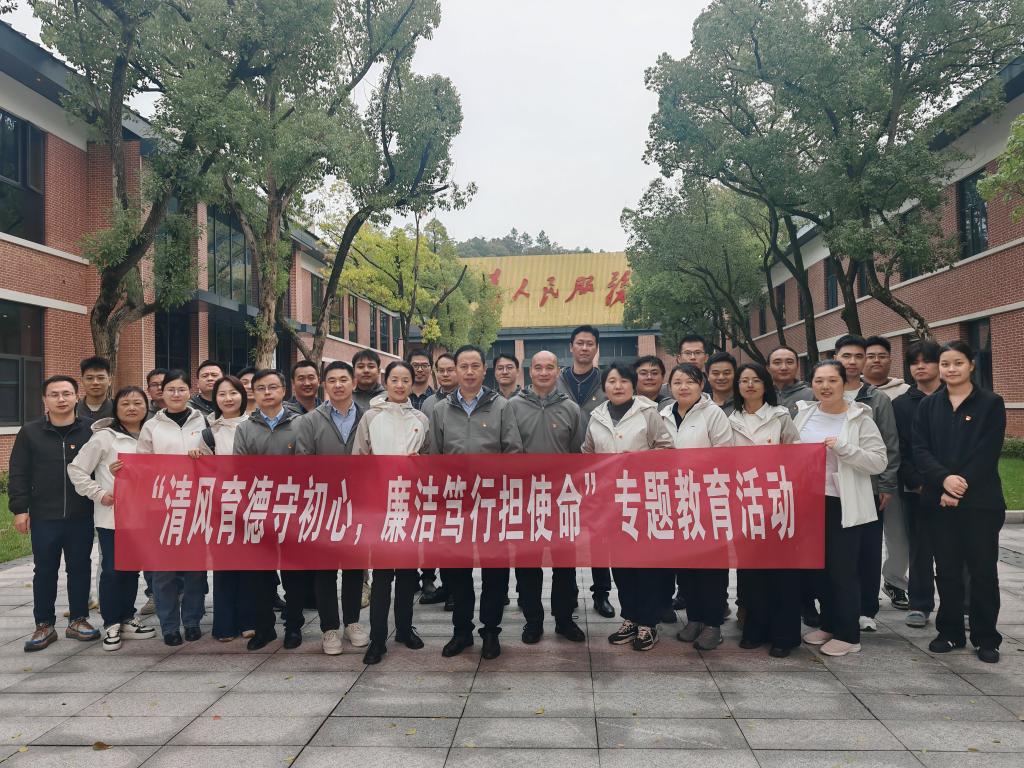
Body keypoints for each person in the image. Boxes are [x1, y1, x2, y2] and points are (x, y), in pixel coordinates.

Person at [913, 341, 1006, 664]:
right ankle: (949, 632)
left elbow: (988, 451)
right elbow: (920, 449)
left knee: (982, 571)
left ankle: (986, 637)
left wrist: (956, 488)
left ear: (971, 365)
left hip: (980, 503)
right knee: (947, 570)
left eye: (958, 363)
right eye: (945, 364)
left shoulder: (991, 403)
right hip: (938, 502)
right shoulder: (929, 406)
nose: (951, 369)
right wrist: (943, 480)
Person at [430, 345, 523, 660]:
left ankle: (491, 631)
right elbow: (434, 457)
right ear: (455, 370)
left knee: (495, 571)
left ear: (485, 370)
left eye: (475, 366)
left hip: (492, 504)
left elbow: (513, 452)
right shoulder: (440, 410)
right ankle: (461, 632)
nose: (469, 372)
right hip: (455, 504)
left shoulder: (501, 407)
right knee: (457, 571)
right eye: (463, 366)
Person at [796, 361, 887, 657]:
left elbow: (879, 461)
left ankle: (849, 634)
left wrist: (844, 449)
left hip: (843, 503)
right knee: (819, 569)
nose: (825, 386)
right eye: (819, 381)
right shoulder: (804, 414)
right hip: (810, 502)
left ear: (843, 383)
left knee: (843, 570)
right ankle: (829, 624)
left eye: (832, 380)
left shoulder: (859, 418)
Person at [584, 362, 674, 651]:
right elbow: (587, 454)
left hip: (643, 499)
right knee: (621, 564)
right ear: (604, 386)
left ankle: (648, 623)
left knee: (646, 564)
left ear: (633, 385)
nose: (618, 386)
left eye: (624, 380)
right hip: (611, 503)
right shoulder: (596, 416)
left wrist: (637, 461)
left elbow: (666, 449)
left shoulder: (648, 413)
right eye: (612, 381)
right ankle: (631, 618)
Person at [11, 375, 100, 651]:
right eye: (54, 394)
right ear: (45, 399)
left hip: (81, 514)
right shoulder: (30, 432)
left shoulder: (91, 431)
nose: (61, 399)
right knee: (45, 569)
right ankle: (44, 625)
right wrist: (19, 509)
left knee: (80, 567)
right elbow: (19, 471)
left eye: (66, 394)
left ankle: (78, 620)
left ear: (76, 396)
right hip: (44, 515)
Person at [68, 386, 156, 651]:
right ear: (116, 409)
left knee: (132, 569)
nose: (132, 408)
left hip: (146, 518)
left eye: (137, 403)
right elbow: (76, 469)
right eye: (125, 403)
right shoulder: (105, 438)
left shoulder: (152, 435)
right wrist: (99, 493)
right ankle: (111, 623)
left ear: (146, 407)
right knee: (113, 570)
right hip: (113, 518)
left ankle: (127, 618)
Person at [353, 360, 430, 664]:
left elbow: (430, 459)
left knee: (408, 574)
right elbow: (358, 460)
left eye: (405, 380)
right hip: (380, 506)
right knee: (383, 575)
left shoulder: (421, 418)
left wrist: (421, 462)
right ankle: (377, 639)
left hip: (410, 506)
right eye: (394, 380)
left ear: (413, 384)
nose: (400, 385)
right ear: (385, 383)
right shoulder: (371, 416)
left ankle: (404, 629)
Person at [509, 351, 587, 645]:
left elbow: (578, 454)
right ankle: (533, 621)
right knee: (528, 565)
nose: (543, 372)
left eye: (549, 367)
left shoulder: (571, 409)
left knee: (564, 565)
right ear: (530, 372)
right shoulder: (512, 407)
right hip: (524, 499)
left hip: (560, 500)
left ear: (558, 371)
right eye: (538, 367)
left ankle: (565, 620)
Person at [293, 361, 368, 654]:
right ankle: (329, 629)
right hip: (323, 504)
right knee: (324, 569)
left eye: (343, 379)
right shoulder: (310, 421)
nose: (338, 385)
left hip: (359, 504)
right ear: (325, 385)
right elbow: (302, 463)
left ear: (353, 383)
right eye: (332, 380)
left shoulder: (368, 417)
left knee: (354, 567)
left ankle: (352, 622)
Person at [729, 363, 802, 657]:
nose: (749, 385)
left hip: (778, 501)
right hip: (744, 502)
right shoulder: (729, 419)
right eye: (744, 380)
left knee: (782, 571)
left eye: (756, 380)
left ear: (765, 385)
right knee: (750, 571)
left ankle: (784, 635)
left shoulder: (780, 416)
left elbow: (797, 453)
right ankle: (755, 629)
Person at [233, 369, 307, 651]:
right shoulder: (245, 428)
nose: (267, 392)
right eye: (261, 388)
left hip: (292, 508)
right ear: (253, 392)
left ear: (284, 391)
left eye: (273, 387)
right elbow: (240, 469)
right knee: (260, 574)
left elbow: (308, 465)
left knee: (293, 574)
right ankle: (265, 628)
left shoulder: (301, 424)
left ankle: (293, 627)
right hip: (258, 509)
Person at [661, 364, 733, 650]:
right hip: (676, 500)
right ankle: (694, 618)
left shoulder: (713, 414)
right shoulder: (664, 414)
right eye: (677, 382)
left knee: (711, 567)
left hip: (708, 499)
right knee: (686, 565)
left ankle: (713, 623)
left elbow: (726, 455)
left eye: (690, 381)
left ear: (701, 385)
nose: (683, 387)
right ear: (670, 386)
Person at [135, 369, 209, 646]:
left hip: (196, 506)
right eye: (170, 389)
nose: (176, 394)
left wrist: (202, 457)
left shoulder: (204, 421)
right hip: (162, 507)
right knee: (163, 571)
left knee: (194, 570)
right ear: (161, 393)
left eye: (181, 389)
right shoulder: (151, 426)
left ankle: (192, 621)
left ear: (190, 391)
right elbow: (142, 466)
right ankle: (169, 626)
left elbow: (215, 459)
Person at [833, 335, 900, 633]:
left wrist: (886, 484)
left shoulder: (876, 399)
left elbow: (890, 445)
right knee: (836, 552)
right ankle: (835, 605)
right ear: (835, 357)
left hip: (867, 486)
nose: (851, 362)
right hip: (830, 488)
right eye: (846, 356)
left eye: (858, 356)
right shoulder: (821, 392)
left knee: (868, 550)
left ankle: (866, 609)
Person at [556, 325, 613, 618]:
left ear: (596, 348)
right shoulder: (557, 380)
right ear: (571, 346)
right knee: (565, 532)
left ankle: (601, 593)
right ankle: (568, 594)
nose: (584, 348)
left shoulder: (607, 381)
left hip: (598, 467)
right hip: (562, 468)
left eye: (590, 343)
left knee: (599, 533)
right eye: (580, 343)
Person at [192, 375, 253, 642]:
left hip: (253, 505)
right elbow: (202, 473)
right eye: (222, 394)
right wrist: (196, 457)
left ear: (242, 395)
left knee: (251, 567)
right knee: (224, 566)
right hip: (222, 507)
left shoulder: (255, 425)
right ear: (215, 399)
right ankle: (225, 624)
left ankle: (250, 620)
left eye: (233, 393)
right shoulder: (208, 433)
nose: (228, 399)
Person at [894, 340, 943, 628]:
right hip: (917, 490)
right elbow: (898, 449)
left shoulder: (956, 399)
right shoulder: (901, 405)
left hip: (954, 488)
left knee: (958, 550)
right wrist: (917, 482)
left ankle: (962, 606)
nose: (920, 367)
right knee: (920, 550)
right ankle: (920, 604)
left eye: (927, 361)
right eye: (914, 362)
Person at [863, 336, 912, 612]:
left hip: (894, 476)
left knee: (898, 535)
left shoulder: (904, 392)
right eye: (870, 355)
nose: (876, 360)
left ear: (891, 359)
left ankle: (894, 581)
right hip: (862, 477)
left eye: (882, 355)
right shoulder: (848, 389)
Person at [768, 346, 814, 417]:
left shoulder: (812, 395)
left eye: (789, 362)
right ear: (768, 368)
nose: (784, 367)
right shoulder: (760, 395)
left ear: (797, 366)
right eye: (777, 363)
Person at [76, 356, 114, 423]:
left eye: (100, 378)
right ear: (82, 381)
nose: (95, 382)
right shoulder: (73, 409)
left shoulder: (118, 408)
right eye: (90, 378)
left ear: (109, 381)